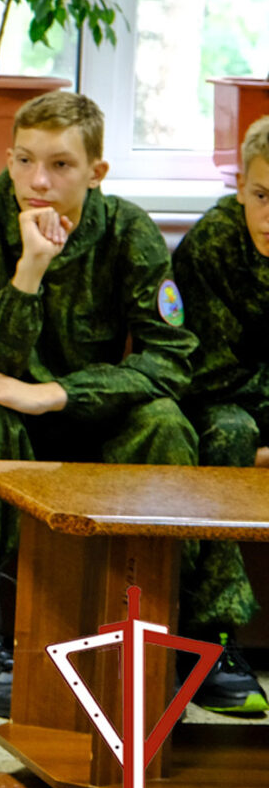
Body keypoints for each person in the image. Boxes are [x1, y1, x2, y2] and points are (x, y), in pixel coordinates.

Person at [0, 91, 251, 718]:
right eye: (23, 161)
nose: (37, 181)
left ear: (96, 172)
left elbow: (170, 360)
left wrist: (59, 393)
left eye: (60, 165)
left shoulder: (128, 230)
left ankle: (189, 641)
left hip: (91, 414)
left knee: (165, 423)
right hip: (8, 417)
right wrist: (29, 270)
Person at [167, 115, 269, 713]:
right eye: (261, 196)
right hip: (220, 403)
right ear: (240, 189)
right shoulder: (214, 244)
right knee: (228, 432)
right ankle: (210, 640)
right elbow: (209, 372)